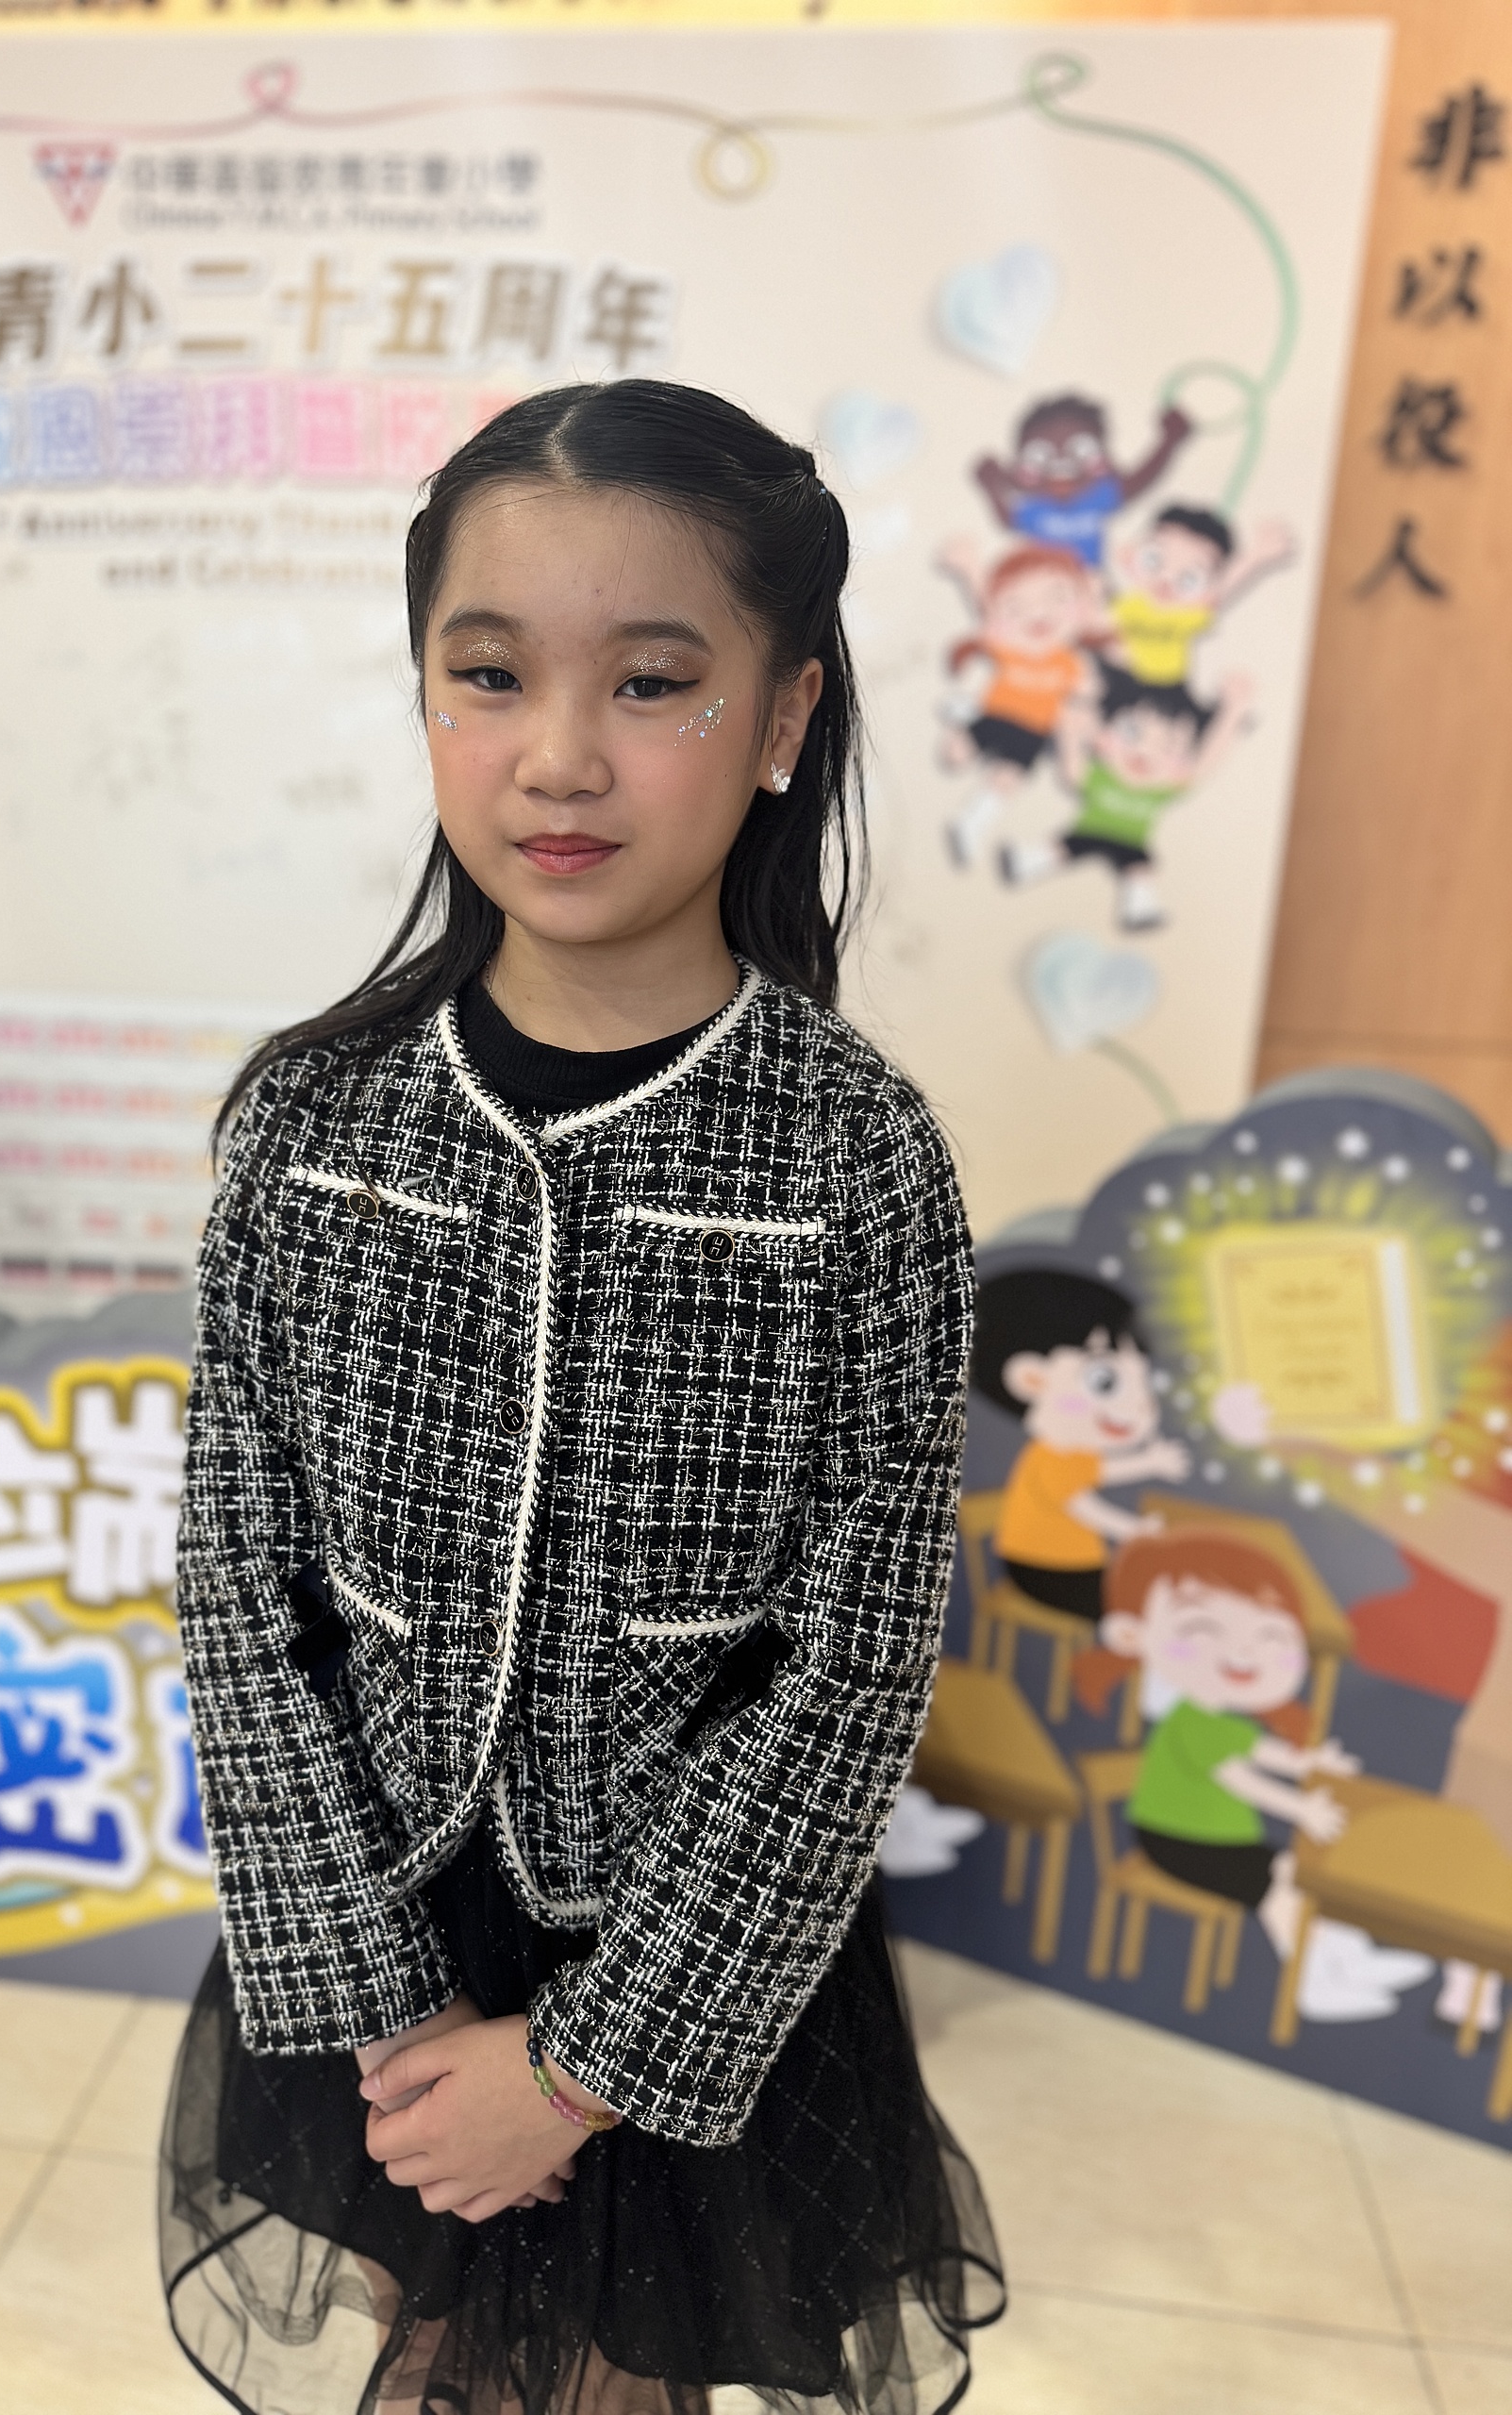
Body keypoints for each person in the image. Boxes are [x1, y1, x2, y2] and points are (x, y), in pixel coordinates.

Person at [162, 379, 1003, 2415]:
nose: (559, 754)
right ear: (425, 694)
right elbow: (235, 1579)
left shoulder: (859, 1155)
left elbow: (857, 1659)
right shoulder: (312, 1118)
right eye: (490, 674)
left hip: (697, 1961)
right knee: (427, 2357)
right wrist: (377, 2009)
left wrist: (581, 2068)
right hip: (373, 1931)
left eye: (651, 681)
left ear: (785, 715)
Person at [1099, 1532, 1436, 2021]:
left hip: (1217, 1839)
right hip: (1177, 1842)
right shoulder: (1191, 1720)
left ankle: (1349, 1959)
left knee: (1297, 1874)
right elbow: (1239, 1778)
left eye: (1269, 1636)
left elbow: (1260, 1752)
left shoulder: (1217, 1717)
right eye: (1205, 1630)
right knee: (1281, 1888)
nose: (1243, 1653)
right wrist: (1301, 1808)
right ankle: (1311, 1982)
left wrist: (1310, 1763)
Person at [972, 1267, 1187, 1624]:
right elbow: (1084, 1506)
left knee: (1147, 1593)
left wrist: (1150, 1462)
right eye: (1105, 1381)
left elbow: (1101, 1471)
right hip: (1043, 1567)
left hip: (1073, 1562)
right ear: (1031, 1379)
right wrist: (1132, 1529)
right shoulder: (1052, 1456)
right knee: (1135, 1604)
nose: (1141, 1405)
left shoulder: (1070, 1452)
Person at [1001, 665, 1255, 933]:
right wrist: (1069, 732)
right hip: (1089, 830)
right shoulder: (1102, 775)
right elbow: (1073, 774)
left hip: (1130, 841)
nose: (1145, 752)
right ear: (1102, 736)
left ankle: (1140, 907)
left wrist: (1232, 712)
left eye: (1168, 746)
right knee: (1063, 848)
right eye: (1133, 733)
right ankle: (1025, 862)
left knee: (1139, 868)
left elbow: (1205, 763)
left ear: (1182, 763)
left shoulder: (1161, 790)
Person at [934, 538, 1103, 870]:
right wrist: (970, 569)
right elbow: (987, 605)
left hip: (1034, 730)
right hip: (998, 714)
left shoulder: (1069, 663)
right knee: (957, 753)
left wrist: (1084, 727)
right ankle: (963, 715)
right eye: (1016, 606)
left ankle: (972, 823)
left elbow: (1085, 698)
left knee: (1007, 779)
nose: (1038, 615)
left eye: (1057, 598)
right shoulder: (1009, 648)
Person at [972, 391, 1192, 571]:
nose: (1061, 463)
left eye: (1082, 450)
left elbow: (1140, 479)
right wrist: (991, 486)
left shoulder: (1097, 499)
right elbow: (1008, 520)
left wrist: (1169, 442)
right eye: (1039, 456)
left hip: (1088, 585)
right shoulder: (1035, 509)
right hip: (1043, 584)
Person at [1105, 504, 1295, 689]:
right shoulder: (1125, 603)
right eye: (1154, 560)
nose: (1166, 581)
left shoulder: (1184, 617)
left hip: (1162, 688)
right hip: (1115, 679)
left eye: (1189, 579)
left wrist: (1256, 555)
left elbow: (1219, 591)